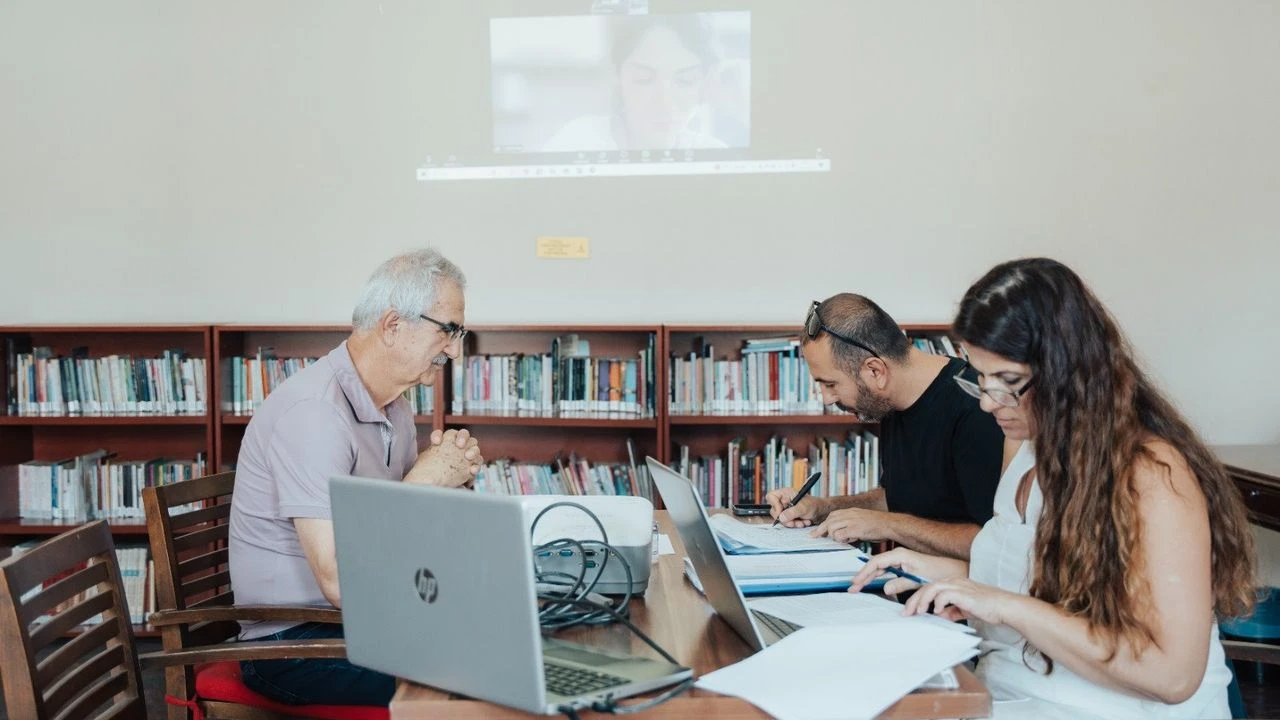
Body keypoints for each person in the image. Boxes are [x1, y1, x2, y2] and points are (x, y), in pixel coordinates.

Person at [850, 258, 1256, 719]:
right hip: (1004, 693)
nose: (987, 403)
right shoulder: (1025, 442)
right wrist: (940, 574)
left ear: (1068, 370)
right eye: (981, 379)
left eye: (1009, 382)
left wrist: (1001, 605)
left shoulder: (1151, 473)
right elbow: (1034, 588)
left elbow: (1172, 676)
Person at [228, 248, 484, 707]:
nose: (455, 350)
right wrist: (424, 481)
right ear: (392, 326)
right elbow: (341, 582)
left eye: (459, 333)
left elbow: (402, 536)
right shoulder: (314, 415)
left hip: (364, 619)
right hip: (293, 642)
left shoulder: (395, 407)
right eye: (448, 331)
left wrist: (450, 484)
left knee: (503, 634)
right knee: (479, 672)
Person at [765, 294, 1004, 560]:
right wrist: (823, 508)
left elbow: (994, 543)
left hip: (959, 599)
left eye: (830, 384)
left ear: (875, 371)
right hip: (904, 592)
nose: (827, 398)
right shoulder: (888, 402)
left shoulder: (977, 409)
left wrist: (886, 525)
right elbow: (898, 497)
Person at [541, 14, 732, 152]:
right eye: (644, 79)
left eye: (685, 81)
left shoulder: (713, 152)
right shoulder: (577, 142)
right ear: (617, 75)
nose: (664, 103)